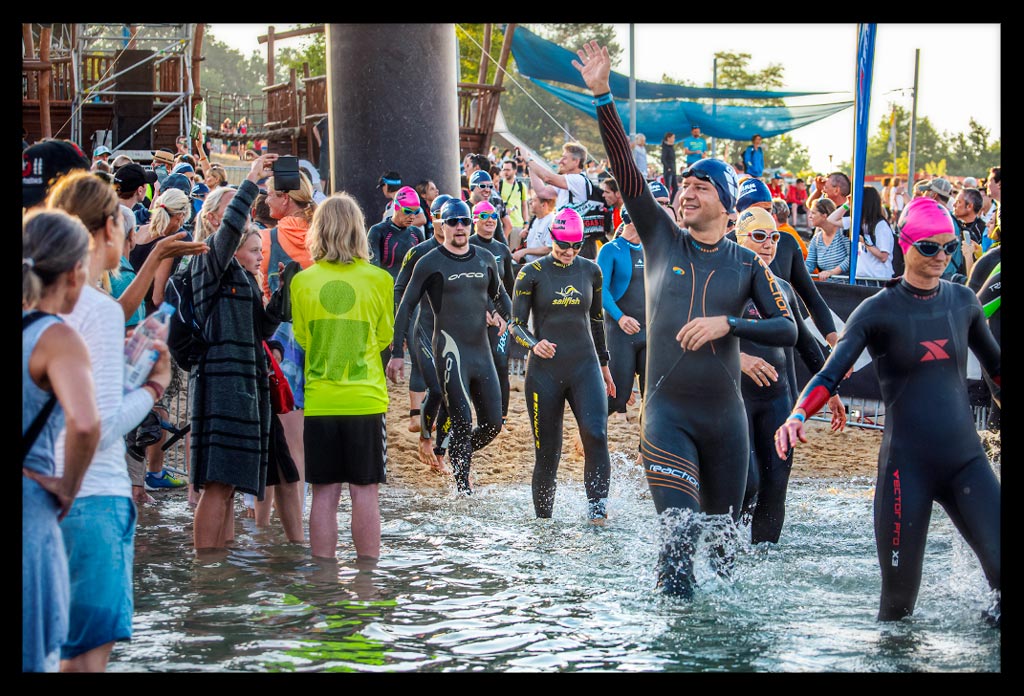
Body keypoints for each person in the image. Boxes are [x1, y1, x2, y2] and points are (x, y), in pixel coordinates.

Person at [574, 40, 797, 596]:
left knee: (724, 556)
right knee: (677, 544)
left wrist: (732, 326)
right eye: (684, 186)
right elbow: (627, 173)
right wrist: (603, 95)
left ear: (725, 203)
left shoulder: (748, 262)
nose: (686, 193)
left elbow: (787, 330)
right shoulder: (662, 240)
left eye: (701, 187)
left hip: (727, 426)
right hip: (668, 417)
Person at [776, 197, 1001, 624]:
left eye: (950, 247)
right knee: (898, 609)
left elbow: (997, 368)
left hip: (966, 462)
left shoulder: (962, 303)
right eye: (930, 248)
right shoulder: (877, 310)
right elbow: (830, 374)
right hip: (905, 470)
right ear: (905, 244)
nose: (941, 257)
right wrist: (797, 415)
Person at [46, 171, 173, 671]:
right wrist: (151, 389)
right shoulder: (96, 309)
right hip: (91, 495)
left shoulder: (44, 305)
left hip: (41, 495)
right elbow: (96, 427)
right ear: (105, 229)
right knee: (87, 661)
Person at [189, 153, 288, 550]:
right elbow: (231, 230)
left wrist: (282, 296)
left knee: (228, 486)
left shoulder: (241, 275)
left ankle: (222, 568)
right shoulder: (208, 260)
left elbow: (261, 328)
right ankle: (205, 569)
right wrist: (250, 181)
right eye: (232, 209)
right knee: (217, 485)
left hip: (245, 383)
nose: (242, 216)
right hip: (222, 381)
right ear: (215, 219)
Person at [733, 207, 845, 545]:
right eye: (759, 236)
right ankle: (727, 550)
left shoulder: (782, 287)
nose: (769, 244)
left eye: (774, 237)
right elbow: (695, 334)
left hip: (776, 401)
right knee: (747, 481)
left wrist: (832, 390)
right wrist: (739, 357)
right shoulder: (724, 283)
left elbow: (807, 344)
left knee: (776, 483)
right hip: (735, 399)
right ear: (740, 239)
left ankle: (766, 561)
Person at [290, 194, 393, 559]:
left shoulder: (302, 282)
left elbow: (302, 338)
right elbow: (384, 337)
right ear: (358, 231)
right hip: (365, 400)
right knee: (365, 493)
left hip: (321, 400)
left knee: (324, 493)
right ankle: (368, 580)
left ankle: (324, 581)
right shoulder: (379, 280)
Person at [386, 199, 512, 494]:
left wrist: (509, 319)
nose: (459, 227)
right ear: (441, 224)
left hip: (480, 351)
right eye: (453, 222)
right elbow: (405, 306)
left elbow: (501, 296)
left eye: (464, 222)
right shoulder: (429, 261)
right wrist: (397, 351)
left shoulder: (485, 258)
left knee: (493, 424)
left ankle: (453, 449)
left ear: (471, 224)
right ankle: (462, 489)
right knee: (460, 417)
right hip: (449, 349)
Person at [22, 210, 102, 672]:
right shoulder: (56, 338)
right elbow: (86, 423)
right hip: (31, 505)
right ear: (76, 273)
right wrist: (69, 485)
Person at [510, 208, 615, 521]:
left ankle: (597, 512)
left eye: (576, 246)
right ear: (551, 238)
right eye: (563, 245)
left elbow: (597, 321)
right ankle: (543, 524)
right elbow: (515, 325)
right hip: (545, 372)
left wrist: (606, 367)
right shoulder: (531, 273)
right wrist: (534, 343)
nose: (569, 252)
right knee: (548, 453)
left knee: (596, 435)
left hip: (585, 365)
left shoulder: (591, 271)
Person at [233, 228, 304, 542]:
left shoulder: (247, 281)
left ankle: (283, 541)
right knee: (240, 477)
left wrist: (279, 294)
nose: (260, 258)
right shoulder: (228, 282)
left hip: (260, 382)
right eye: (253, 251)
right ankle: (229, 552)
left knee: (282, 468)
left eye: (260, 252)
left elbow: (260, 327)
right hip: (242, 386)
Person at [393, 194, 454, 469]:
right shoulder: (419, 251)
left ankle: (441, 446)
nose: (447, 223)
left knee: (453, 394)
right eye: (441, 216)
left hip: (455, 332)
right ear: (434, 217)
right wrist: (401, 330)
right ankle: (425, 438)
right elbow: (399, 290)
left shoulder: (465, 251)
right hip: (424, 326)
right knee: (438, 389)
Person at [469, 200, 515, 425]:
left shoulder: (501, 249)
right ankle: (478, 413)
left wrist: (510, 316)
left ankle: (502, 415)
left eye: (493, 216)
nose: (489, 220)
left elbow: (509, 288)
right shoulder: (467, 246)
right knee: (475, 366)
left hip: (499, 318)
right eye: (484, 215)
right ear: (474, 219)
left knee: (500, 362)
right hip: (472, 313)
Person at [596, 207, 645, 416]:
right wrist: (620, 317)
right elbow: (600, 290)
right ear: (632, 221)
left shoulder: (650, 249)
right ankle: (586, 440)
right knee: (617, 396)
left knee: (654, 394)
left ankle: (648, 447)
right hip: (620, 333)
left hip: (648, 332)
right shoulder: (610, 250)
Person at [828, 186, 895, 282]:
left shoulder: (881, 225)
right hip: (860, 277)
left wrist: (865, 242)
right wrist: (847, 204)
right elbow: (831, 220)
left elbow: (883, 256)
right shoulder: (858, 222)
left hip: (877, 279)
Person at [367, 186, 425, 282]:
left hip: (409, 293)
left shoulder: (416, 233)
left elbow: (423, 269)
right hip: (387, 291)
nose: (412, 217)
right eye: (407, 211)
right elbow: (373, 269)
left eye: (416, 212)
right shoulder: (378, 231)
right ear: (396, 207)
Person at [805, 198, 850, 281]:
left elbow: (851, 257)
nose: (809, 216)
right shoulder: (816, 239)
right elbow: (810, 264)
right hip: (828, 287)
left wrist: (832, 272)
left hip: (845, 286)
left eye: (813, 213)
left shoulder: (843, 232)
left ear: (824, 215)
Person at [513, 190, 555, 265]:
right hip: (528, 264)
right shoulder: (536, 219)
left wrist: (525, 251)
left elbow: (549, 248)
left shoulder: (552, 222)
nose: (530, 203)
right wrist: (526, 233)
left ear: (544, 205)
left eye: (534, 201)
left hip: (540, 267)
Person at [498, 159, 528, 249]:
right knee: (502, 251)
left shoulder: (521, 186)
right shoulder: (499, 184)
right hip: (503, 223)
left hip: (517, 224)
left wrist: (526, 223)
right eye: (504, 169)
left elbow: (524, 205)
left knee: (514, 253)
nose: (505, 172)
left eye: (508, 170)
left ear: (514, 170)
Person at [661, 132, 677, 201]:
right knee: (667, 188)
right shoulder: (665, 148)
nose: (674, 139)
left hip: (673, 171)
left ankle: (671, 202)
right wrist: (668, 168)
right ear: (668, 138)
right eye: (673, 137)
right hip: (668, 171)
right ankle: (665, 202)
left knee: (675, 188)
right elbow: (663, 159)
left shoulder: (671, 147)